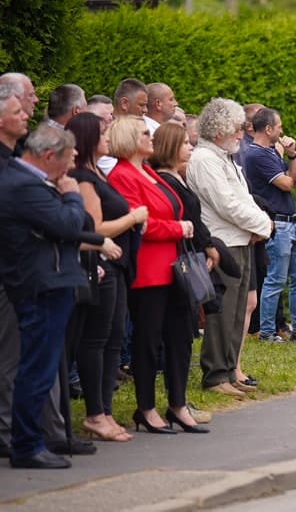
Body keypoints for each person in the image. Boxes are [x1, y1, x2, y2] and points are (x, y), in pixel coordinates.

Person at [0, 125, 89, 468]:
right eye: (66, 161)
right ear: (49, 156)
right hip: (41, 284)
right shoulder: (24, 184)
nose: (68, 170)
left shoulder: (25, 180)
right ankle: (27, 444)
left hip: (46, 281)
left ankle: (30, 441)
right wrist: (72, 195)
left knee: (40, 366)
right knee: (36, 368)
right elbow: (69, 225)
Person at [107, 115, 201, 432]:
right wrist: (178, 228)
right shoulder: (123, 175)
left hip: (173, 267)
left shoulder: (147, 171)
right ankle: (145, 407)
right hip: (149, 270)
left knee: (180, 337)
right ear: (128, 139)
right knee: (148, 341)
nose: (151, 137)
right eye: (144, 133)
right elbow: (141, 224)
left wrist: (180, 227)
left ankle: (178, 404)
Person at [67, 112, 148, 442]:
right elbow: (97, 228)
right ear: (89, 139)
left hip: (116, 263)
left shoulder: (97, 172)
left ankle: (106, 411)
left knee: (113, 339)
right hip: (101, 263)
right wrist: (133, 217)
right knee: (97, 340)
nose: (108, 138)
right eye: (102, 134)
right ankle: (95, 414)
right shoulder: (83, 178)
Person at [186, 98, 273, 395]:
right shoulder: (205, 159)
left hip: (240, 239)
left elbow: (243, 199)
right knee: (223, 313)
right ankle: (215, 375)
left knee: (236, 311)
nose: (240, 134)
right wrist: (263, 225)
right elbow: (226, 204)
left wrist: (258, 226)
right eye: (236, 128)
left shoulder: (223, 157)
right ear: (218, 130)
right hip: (224, 242)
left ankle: (229, 369)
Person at [244, 107, 296, 343]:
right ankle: (267, 331)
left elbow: (295, 178)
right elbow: (286, 184)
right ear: (268, 129)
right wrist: (287, 171)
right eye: (279, 126)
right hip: (278, 223)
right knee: (276, 278)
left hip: (291, 223)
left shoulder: (271, 152)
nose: (282, 130)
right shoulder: (256, 155)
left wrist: (292, 155)